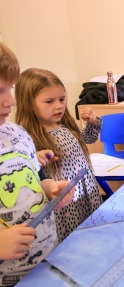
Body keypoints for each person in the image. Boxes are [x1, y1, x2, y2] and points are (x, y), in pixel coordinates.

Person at [0, 42, 74, 287]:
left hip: (45, 259)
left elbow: (36, 176)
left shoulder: (17, 134)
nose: (10, 101)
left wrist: (50, 187)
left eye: (9, 88)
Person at [15, 68, 103, 242]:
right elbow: (25, 172)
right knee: (70, 239)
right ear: (28, 104)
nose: (59, 106)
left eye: (62, 99)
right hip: (64, 201)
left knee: (92, 233)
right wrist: (36, 158)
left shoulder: (66, 125)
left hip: (86, 190)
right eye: (49, 101)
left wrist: (93, 122)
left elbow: (88, 139)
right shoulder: (27, 137)